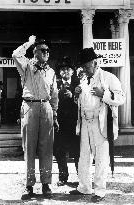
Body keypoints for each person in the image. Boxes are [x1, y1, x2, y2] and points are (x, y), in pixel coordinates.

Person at [69, 47, 125, 202]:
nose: (85, 70)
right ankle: (84, 187)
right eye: (83, 67)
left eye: (87, 66)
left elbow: (121, 98)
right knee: (83, 156)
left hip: (100, 123)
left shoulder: (109, 77)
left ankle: (99, 191)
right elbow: (83, 101)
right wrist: (77, 94)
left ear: (95, 63)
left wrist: (104, 94)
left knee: (101, 157)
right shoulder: (84, 79)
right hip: (85, 122)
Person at [12, 35, 59, 199]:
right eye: (42, 50)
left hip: (46, 108)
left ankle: (46, 184)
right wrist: (30, 42)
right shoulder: (25, 66)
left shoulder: (51, 72)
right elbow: (16, 54)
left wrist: (55, 115)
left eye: (48, 50)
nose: (46, 53)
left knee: (47, 148)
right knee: (29, 148)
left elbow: (54, 95)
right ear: (35, 52)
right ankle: (29, 185)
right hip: (29, 107)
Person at [53, 56, 80, 186]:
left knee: (77, 150)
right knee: (59, 151)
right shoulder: (54, 84)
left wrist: (73, 96)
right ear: (59, 72)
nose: (65, 72)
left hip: (75, 123)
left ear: (72, 71)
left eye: (68, 69)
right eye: (62, 70)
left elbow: (84, 102)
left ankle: (82, 176)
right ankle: (63, 176)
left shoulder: (79, 83)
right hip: (60, 123)